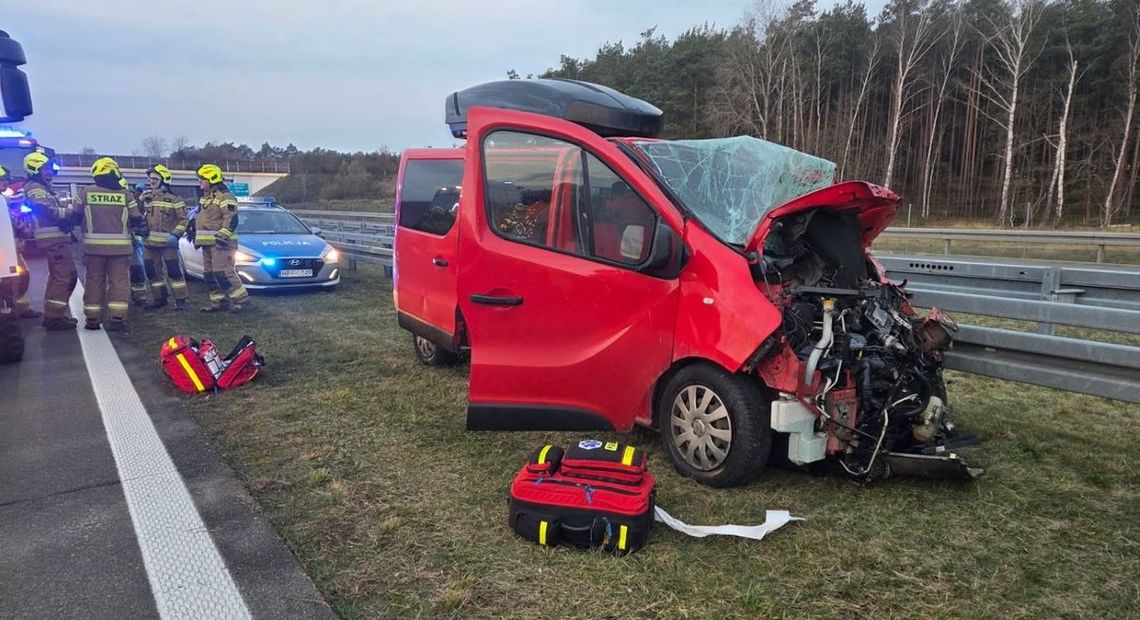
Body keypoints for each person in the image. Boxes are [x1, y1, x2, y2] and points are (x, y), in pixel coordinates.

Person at [72, 157, 143, 331]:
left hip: (93, 249)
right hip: (120, 249)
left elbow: (74, 216)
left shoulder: (85, 193)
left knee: (94, 282)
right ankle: (117, 319)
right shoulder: (126, 194)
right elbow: (136, 218)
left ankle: (93, 319)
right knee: (119, 283)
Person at [21, 152, 78, 330]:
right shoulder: (36, 188)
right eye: (46, 168)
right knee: (65, 277)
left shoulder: (41, 186)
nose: (50, 172)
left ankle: (53, 314)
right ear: (36, 169)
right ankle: (54, 318)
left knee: (58, 276)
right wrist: (69, 216)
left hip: (55, 239)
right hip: (53, 240)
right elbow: (44, 209)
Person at [193, 164, 248, 312]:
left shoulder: (225, 196)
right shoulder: (206, 198)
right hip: (207, 244)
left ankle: (241, 301)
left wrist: (222, 237)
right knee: (209, 275)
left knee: (223, 273)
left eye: (202, 180)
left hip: (221, 244)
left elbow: (231, 218)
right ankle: (218, 303)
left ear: (211, 179)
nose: (200, 183)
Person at [139, 165, 189, 310]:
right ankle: (159, 298)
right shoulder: (147, 197)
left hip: (168, 243)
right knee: (152, 272)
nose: (151, 181)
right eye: (150, 178)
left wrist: (175, 234)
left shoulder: (175, 199)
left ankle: (181, 301)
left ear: (164, 180)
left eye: (155, 178)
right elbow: (136, 213)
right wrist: (139, 200)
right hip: (149, 243)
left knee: (174, 272)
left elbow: (183, 220)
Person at [0, 166, 40, 318]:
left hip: (11, 249)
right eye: (2, 180)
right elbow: (12, 221)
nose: (6, 182)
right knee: (15, 278)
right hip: (6, 250)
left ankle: (19, 308)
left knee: (22, 276)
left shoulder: (3, 199)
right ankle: (12, 311)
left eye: (6, 179)